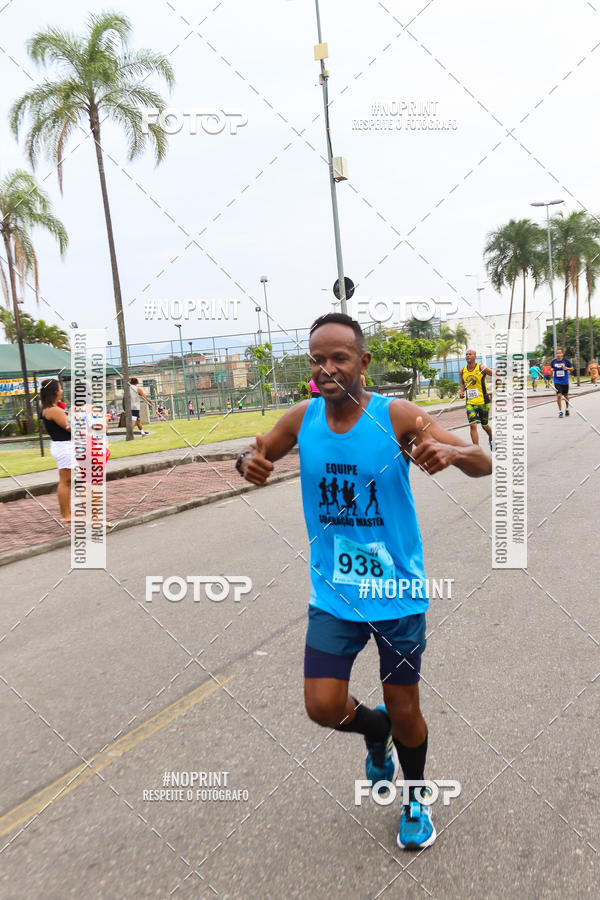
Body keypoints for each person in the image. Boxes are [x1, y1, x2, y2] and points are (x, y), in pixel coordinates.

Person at [236, 313, 491, 851]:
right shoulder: (302, 419)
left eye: (339, 359)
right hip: (333, 592)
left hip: (395, 594)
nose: (326, 369)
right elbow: (257, 449)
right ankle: (374, 737)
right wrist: (247, 462)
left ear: (363, 362)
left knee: (405, 708)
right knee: (323, 707)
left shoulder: (394, 416)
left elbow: (483, 462)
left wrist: (452, 451)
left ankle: (416, 797)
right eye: (317, 360)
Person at [40, 378, 72, 524]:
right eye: (60, 388)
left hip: (61, 445)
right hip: (64, 446)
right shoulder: (54, 410)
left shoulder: (49, 408)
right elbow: (71, 427)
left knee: (67, 481)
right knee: (65, 481)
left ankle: (68, 513)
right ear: (55, 392)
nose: (62, 390)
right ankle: (66, 515)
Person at [458, 349, 493, 449]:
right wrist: (461, 392)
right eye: (466, 354)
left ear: (475, 356)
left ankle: (491, 438)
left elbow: (496, 375)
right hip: (470, 402)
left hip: (483, 401)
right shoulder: (462, 371)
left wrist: (494, 390)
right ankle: (476, 450)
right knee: (473, 425)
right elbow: (462, 383)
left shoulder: (481, 368)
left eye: (470, 354)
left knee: (485, 426)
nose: (468, 356)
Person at [551, 348, 573, 417]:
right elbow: (552, 368)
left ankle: (567, 409)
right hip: (557, 380)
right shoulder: (553, 361)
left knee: (566, 396)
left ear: (562, 354)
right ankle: (560, 411)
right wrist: (551, 370)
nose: (558, 354)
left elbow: (572, 369)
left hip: (565, 381)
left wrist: (567, 368)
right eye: (557, 353)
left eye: (559, 353)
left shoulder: (566, 361)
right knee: (559, 395)